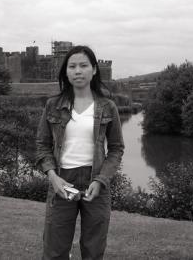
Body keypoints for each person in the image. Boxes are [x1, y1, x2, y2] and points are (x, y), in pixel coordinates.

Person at [36, 45, 124, 260]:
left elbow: (116, 148)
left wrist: (101, 179)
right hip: (62, 180)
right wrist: (52, 176)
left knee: (93, 249)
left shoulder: (107, 106)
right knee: (54, 249)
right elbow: (42, 144)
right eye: (72, 66)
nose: (78, 71)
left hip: (96, 182)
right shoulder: (53, 105)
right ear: (66, 71)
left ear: (94, 70)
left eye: (83, 65)